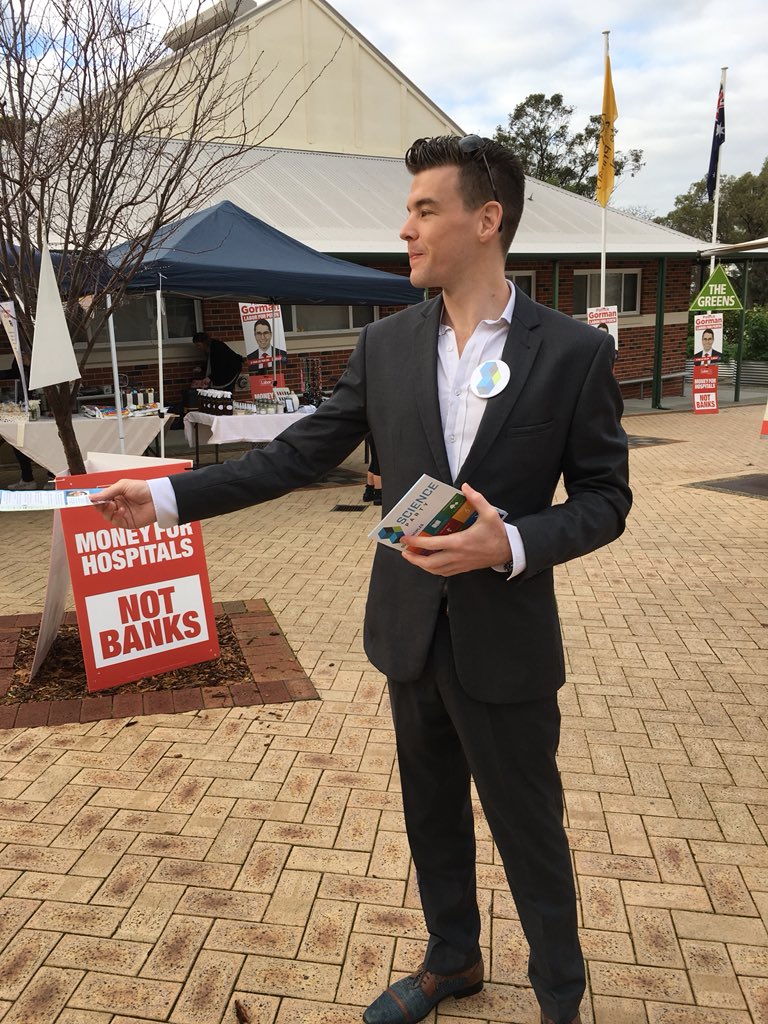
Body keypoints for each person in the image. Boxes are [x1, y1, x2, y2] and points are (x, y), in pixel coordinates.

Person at [94, 134, 631, 1024]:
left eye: (425, 210)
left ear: (487, 219)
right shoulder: (386, 345)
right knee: (431, 814)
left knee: (531, 830)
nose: (405, 229)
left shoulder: (572, 352)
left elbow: (607, 498)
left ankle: (559, 998)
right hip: (410, 632)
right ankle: (453, 960)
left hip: (507, 643)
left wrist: (512, 544)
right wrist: (161, 495)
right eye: (409, 209)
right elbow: (298, 455)